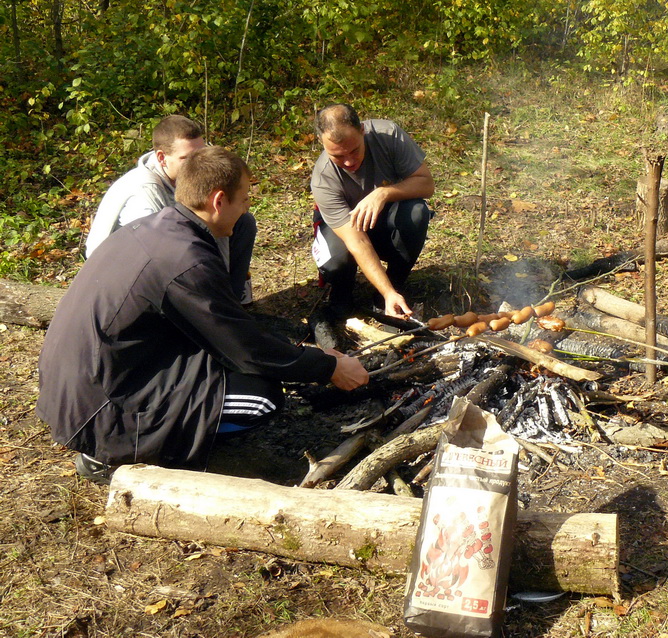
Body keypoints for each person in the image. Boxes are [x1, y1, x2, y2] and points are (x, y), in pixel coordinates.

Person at [37, 146, 368, 484]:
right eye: (244, 200)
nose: (246, 209)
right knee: (261, 398)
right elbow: (245, 348)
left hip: (79, 385)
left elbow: (225, 327)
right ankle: (118, 452)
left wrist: (307, 356)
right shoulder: (186, 262)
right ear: (219, 201)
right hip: (99, 408)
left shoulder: (160, 228)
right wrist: (328, 368)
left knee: (235, 367)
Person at [85, 115, 256, 302]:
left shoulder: (193, 176)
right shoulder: (145, 192)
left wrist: (222, 290)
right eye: (187, 158)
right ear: (162, 157)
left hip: (171, 252)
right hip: (122, 280)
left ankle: (232, 300)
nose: (198, 164)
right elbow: (156, 258)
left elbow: (217, 221)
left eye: (201, 155)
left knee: (242, 222)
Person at [311, 103, 434, 319]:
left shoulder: (389, 136)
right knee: (335, 261)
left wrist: (383, 193)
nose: (349, 162)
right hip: (348, 232)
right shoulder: (323, 179)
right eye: (338, 156)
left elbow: (426, 185)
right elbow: (356, 241)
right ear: (322, 142)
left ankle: (392, 289)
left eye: (354, 150)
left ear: (362, 130)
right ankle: (343, 293)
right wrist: (387, 292)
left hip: (387, 220)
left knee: (416, 213)